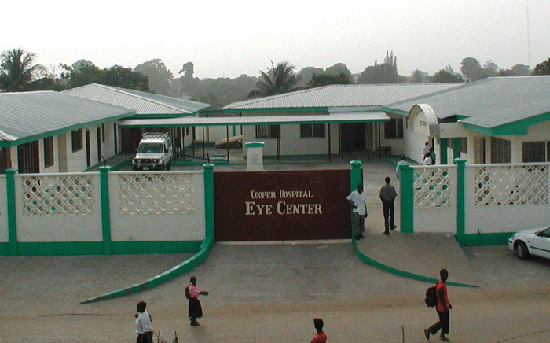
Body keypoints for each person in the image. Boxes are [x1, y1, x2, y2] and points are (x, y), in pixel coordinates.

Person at [424, 269, 452, 341]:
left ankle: (442, 334)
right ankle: (429, 330)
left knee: (445, 321)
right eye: (444, 275)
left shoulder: (441, 283)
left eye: (446, 274)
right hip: (441, 307)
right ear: (441, 275)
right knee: (443, 322)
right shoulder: (441, 285)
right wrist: (445, 306)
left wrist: (448, 304)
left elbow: (444, 296)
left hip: (443, 306)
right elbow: (441, 297)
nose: (446, 276)